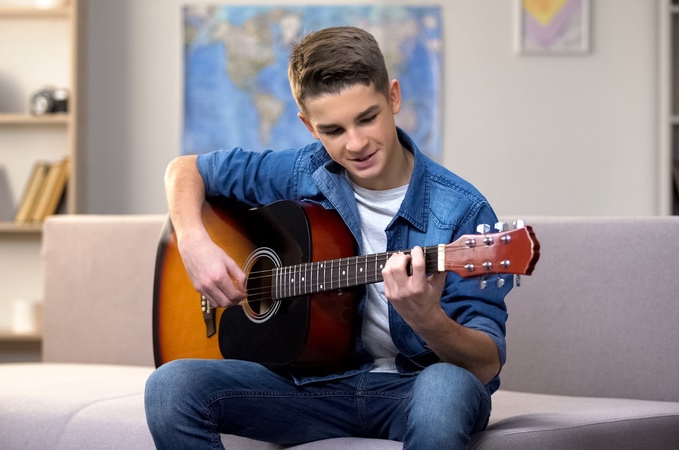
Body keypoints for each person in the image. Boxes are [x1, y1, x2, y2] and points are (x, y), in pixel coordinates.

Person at [145, 26, 511, 449]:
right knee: (169, 386)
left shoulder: (463, 210)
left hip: (416, 391)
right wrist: (194, 244)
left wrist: (426, 317)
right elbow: (185, 170)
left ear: (393, 97)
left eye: (367, 118)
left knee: (447, 387)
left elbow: (484, 365)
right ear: (308, 125)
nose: (355, 144)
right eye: (333, 130)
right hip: (313, 388)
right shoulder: (304, 169)